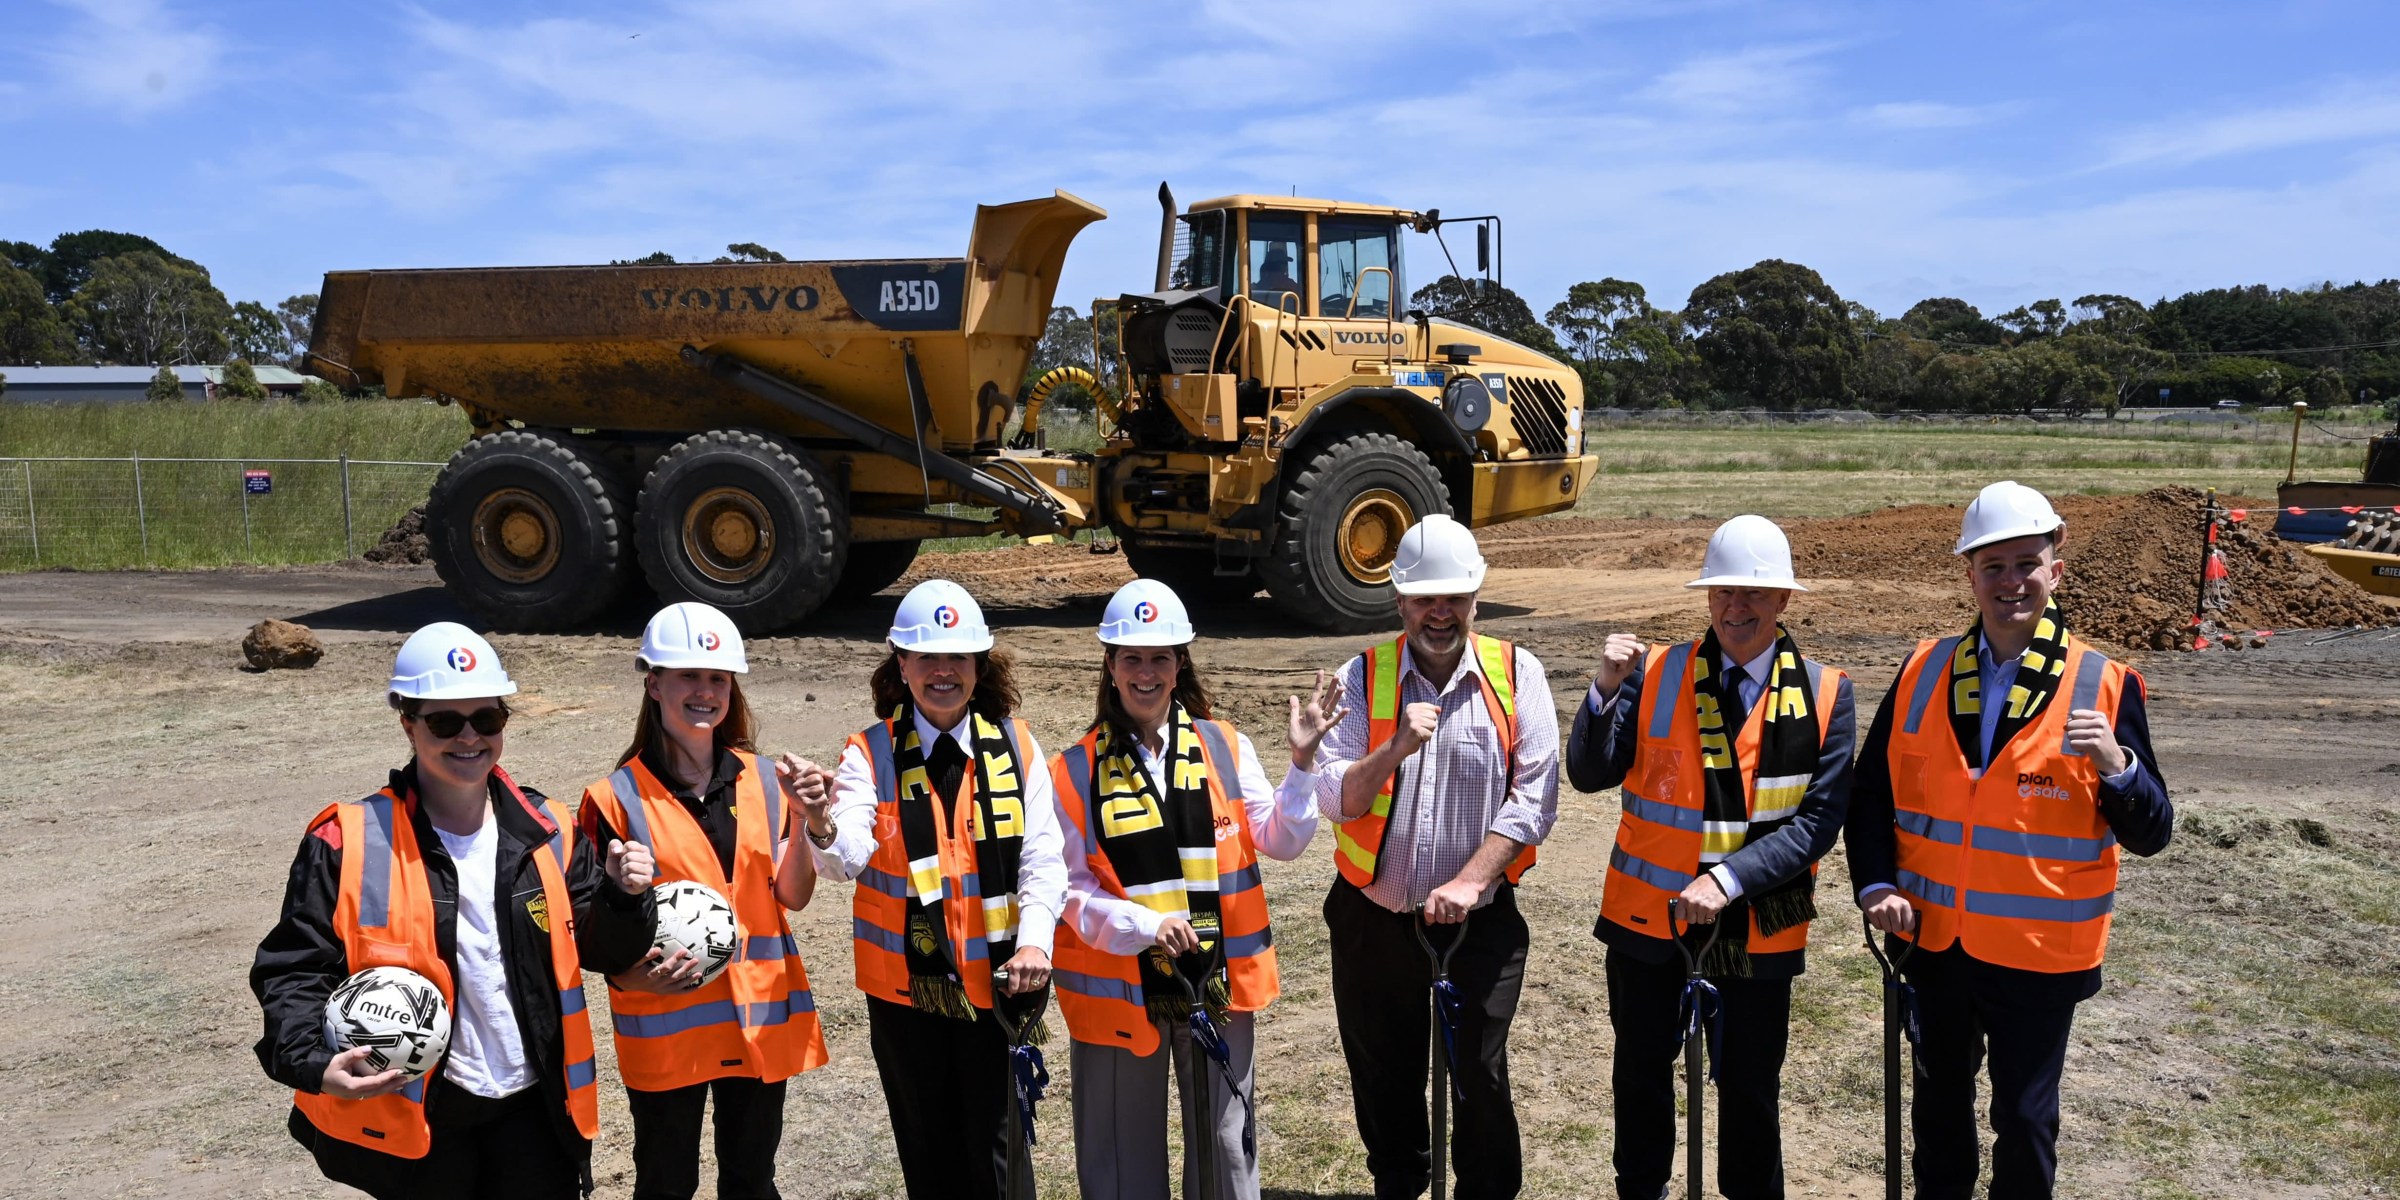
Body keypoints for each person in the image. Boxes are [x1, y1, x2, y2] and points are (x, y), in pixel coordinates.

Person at [1843, 481, 2174, 1200]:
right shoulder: (1922, 669)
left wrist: (2117, 766)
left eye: (2027, 563)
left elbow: (2153, 832)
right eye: (1993, 566)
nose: (2010, 582)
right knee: (1938, 1113)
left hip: (2039, 955)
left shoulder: (2104, 683)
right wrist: (1875, 884)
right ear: (1970, 574)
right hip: (1933, 944)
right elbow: (1870, 796)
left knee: (2024, 1123)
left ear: (2057, 569)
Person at [252, 622, 657, 1200]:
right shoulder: (347, 839)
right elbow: (294, 968)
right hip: (422, 1115)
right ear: (408, 723)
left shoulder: (550, 829)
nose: (470, 737)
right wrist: (314, 1061)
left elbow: (603, 952)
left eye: (487, 719)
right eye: (445, 722)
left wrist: (623, 896)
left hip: (535, 1105)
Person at [1565, 515, 1856, 1200]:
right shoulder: (1655, 672)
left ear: (1782, 599)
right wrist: (1605, 689)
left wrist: (1727, 881)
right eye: (1723, 590)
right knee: (1640, 1075)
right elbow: (1589, 773)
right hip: (1647, 922)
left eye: (1753, 592)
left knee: (1749, 1085)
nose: (1736, 606)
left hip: (1757, 926)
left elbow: (1818, 823)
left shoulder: (1827, 693)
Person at [1050, 578, 1345, 1200]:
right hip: (1120, 991)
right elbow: (1069, 890)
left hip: (1218, 984)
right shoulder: (1072, 771)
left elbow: (1281, 838)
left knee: (1226, 1149)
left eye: (1160, 657)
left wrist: (1301, 766)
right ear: (1110, 666)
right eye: (1131, 658)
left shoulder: (1225, 745)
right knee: (1121, 1161)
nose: (1146, 673)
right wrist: (1145, 927)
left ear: (1180, 663)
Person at [789, 579, 1066, 1200]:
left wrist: (1035, 943)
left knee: (999, 1155)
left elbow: (1044, 858)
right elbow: (846, 859)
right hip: (905, 997)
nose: (943, 671)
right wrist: (820, 822)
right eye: (926, 657)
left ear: (979, 665)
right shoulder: (869, 753)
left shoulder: (1017, 746)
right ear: (902, 665)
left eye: (958, 657)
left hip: (1000, 983)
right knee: (927, 1151)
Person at [1312, 514, 1561, 1200]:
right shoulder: (1361, 677)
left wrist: (1472, 881)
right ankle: (1399, 1183)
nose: (1440, 613)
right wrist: (1395, 747)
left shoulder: (1519, 674)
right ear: (1400, 601)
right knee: (1383, 1071)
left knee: (1478, 1069)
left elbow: (1535, 800)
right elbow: (1336, 800)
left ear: (1477, 597)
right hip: (1373, 918)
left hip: (1479, 921)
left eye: (1454, 597)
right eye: (1425, 598)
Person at [576, 602, 830, 1200]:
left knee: (752, 1181)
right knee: (666, 1184)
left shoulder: (765, 779)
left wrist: (807, 819)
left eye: (718, 678)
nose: (705, 691)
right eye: (688, 675)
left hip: (759, 1019)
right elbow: (591, 931)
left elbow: (791, 897)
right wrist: (631, 976)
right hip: (668, 1028)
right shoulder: (611, 799)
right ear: (654, 684)